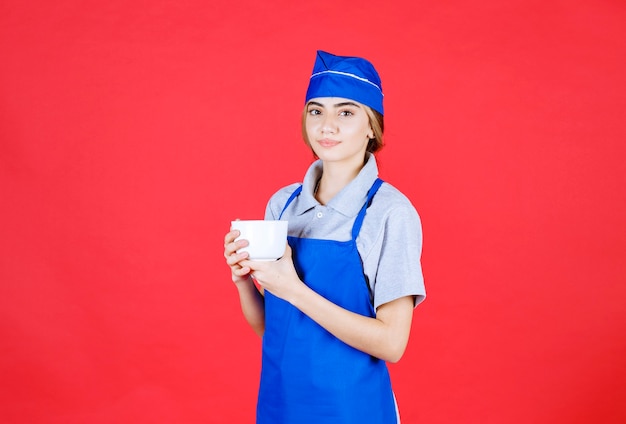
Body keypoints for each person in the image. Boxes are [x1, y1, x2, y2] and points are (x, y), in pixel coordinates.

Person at [223, 50, 426, 423]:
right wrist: (242, 281)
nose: (326, 126)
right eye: (316, 111)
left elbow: (392, 344)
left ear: (371, 126)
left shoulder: (389, 213)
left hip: (352, 409)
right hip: (279, 405)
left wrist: (293, 288)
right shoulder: (283, 205)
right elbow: (274, 326)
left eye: (345, 112)